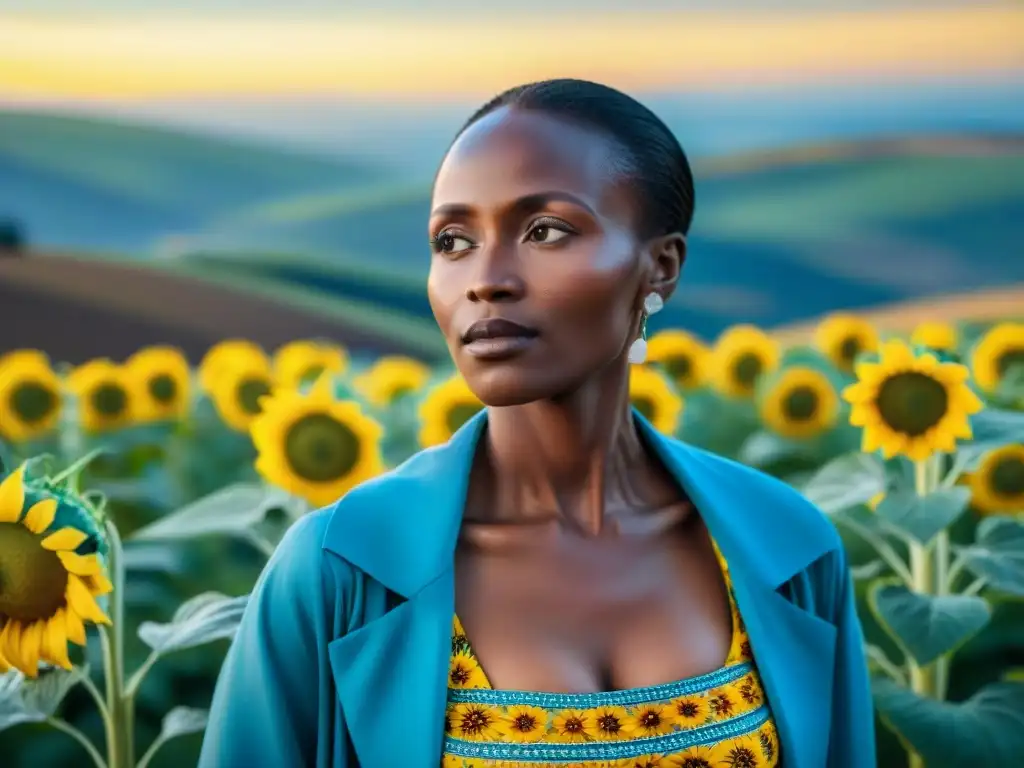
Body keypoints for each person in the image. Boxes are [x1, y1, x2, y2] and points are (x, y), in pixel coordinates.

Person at [199, 79, 875, 768]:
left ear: (660, 269)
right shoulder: (341, 570)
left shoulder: (788, 547)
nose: (486, 279)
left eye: (544, 230)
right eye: (454, 240)